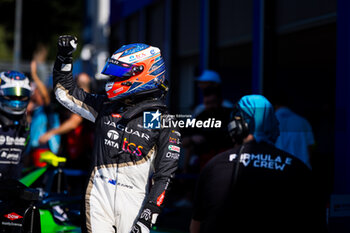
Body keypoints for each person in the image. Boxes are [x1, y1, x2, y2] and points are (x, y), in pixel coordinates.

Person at [53, 35, 180, 233]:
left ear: (143, 72)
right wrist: (64, 57)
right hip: (97, 197)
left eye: (120, 74)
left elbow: (165, 176)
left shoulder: (165, 120)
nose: (113, 79)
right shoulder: (105, 106)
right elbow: (65, 92)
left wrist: (149, 214)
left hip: (136, 204)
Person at [190, 95, 324, 233]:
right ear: (274, 126)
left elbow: (195, 227)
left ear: (235, 127)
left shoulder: (213, 166)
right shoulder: (299, 169)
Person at [0, 70, 32, 180]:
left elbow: (22, 158)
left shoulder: (25, 125)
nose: (17, 100)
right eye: (12, 95)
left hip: (12, 185)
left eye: (21, 96)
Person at [273, 96, 315, 169]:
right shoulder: (303, 121)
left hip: (279, 168)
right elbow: (310, 147)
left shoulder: (269, 122)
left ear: (275, 105)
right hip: (301, 168)